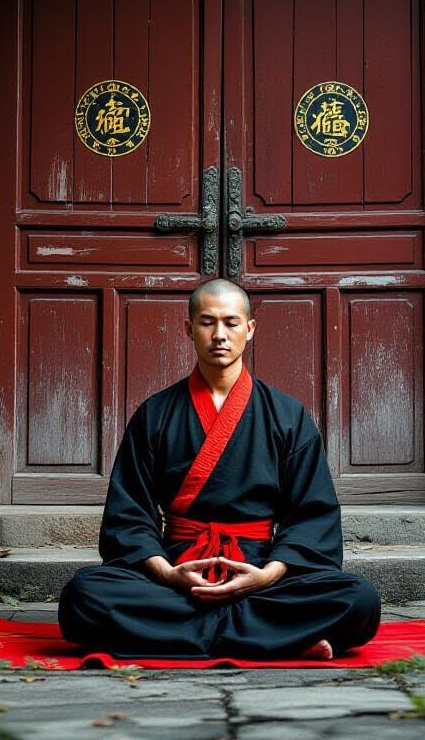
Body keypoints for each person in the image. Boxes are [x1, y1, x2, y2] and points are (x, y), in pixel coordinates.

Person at [57, 277, 382, 660]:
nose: (219, 335)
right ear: (189, 328)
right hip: (180, 569)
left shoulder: (287, 415)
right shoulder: (155, 414)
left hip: (260, 569)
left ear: (250, 329)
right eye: (207, 322)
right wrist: (167, 574)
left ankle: (187, 634)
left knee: (360, 600)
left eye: (231, 322)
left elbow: (312, 515)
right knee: (82, 595)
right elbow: (129, 516)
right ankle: (276, 638)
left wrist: (266, 575)